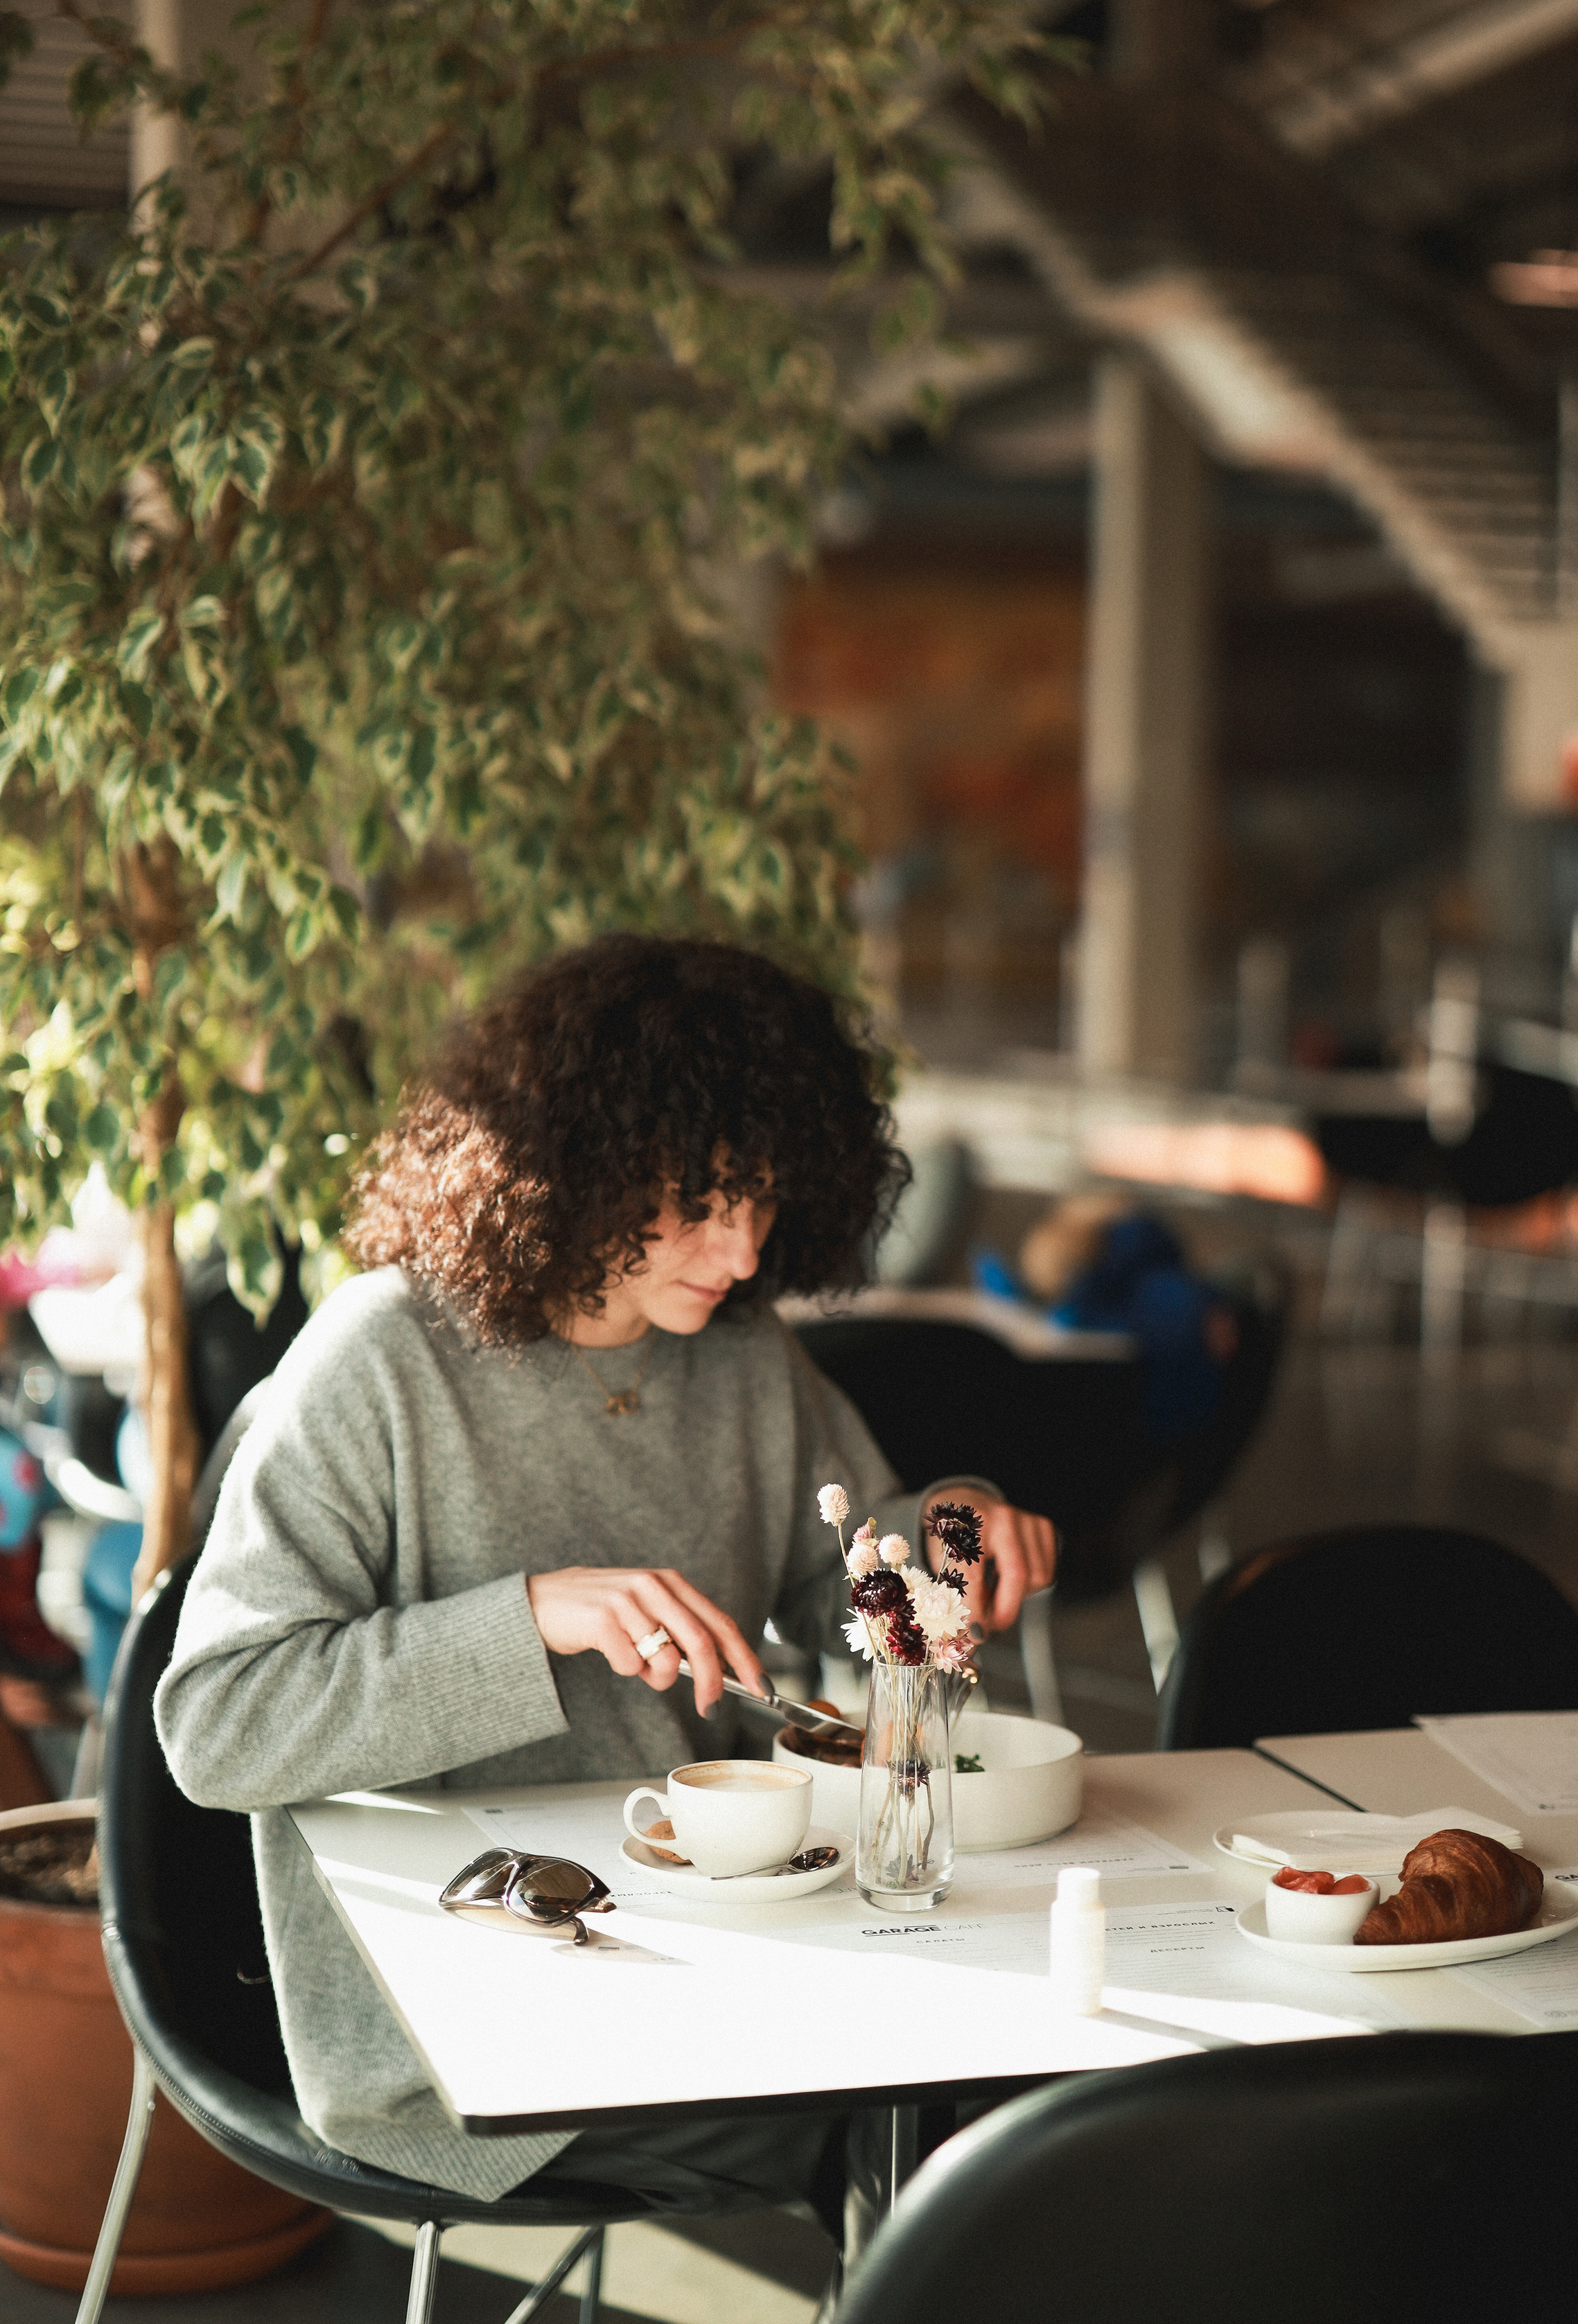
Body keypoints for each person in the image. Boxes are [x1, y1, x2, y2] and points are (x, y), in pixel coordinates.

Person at [156, 934, 1055, 2220]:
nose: (744, 1254)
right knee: (944, 2139)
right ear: (573, 1168)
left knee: (1003, 2093)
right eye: (699, 1203)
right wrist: (532, 1618)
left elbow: (849, 1586)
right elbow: (218, 1727)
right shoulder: (381, 1358)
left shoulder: (738, 1354)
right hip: (461, 2001)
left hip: (715, 1934)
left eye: (764, 1202)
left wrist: (957, 1531)